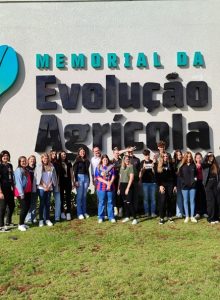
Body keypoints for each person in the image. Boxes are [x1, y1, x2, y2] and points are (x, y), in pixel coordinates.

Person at [34, 153, 58, 227]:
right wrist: (44, 185)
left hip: (49, 187)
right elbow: (37, 177)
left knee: (48, 204)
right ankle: (41, 220)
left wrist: (49, 185)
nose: (45, 159)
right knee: (42, 203)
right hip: (41, 187)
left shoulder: (51, 166)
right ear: (41, 159)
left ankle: (47, 219)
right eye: (44, 158)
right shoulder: (38, 166)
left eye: (47, 158)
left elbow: (53, 177)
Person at [154, 152, 176, 224]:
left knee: (170, 200)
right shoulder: (158, 165)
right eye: (164, 156)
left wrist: (175, 186)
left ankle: (170, 216)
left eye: (167, 156)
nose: (165, 157)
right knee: (162, 201)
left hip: (170, 185)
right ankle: (161, 217)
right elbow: (156, 177)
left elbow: (174, 176)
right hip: (162, 185)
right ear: (162, 157)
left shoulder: (171, 165)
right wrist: (160, 185)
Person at [95, 154, 115, 223]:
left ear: (108, 160)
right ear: (102, 160)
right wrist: (107, 183)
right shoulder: (98, 167)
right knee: (101, 202)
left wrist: (110, 183)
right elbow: (98, 177)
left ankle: (111, 217)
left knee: (110, 202)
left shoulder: (111, 167)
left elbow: (113, 176)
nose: (105, 161)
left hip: (111, 187)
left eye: (106, 159)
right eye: (104, 160)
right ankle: (101, 217)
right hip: (101, 187)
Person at [118, 155, 138, 225]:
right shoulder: (122, 167)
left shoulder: (131, 167)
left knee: (129, 202)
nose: (127, 160)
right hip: (122, 186)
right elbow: (120, 179)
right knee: (125, 202)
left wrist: (127, 188)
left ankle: (135, 218)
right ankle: (127, 216)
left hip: (128, 185)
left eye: (128, 159)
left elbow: (131, 178)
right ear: (123, 160)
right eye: (126, 159)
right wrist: (119, 188)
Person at [14, 156, 32, 231]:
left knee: (27, 207)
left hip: (27, 192)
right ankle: (20, 224)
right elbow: (18, 182)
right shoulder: (18, 170)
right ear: (19, 162)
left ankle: (23, 223)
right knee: (24, 208)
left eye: (25, 161)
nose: (24, 162)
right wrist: (21, 193)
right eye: (22, 161)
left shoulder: (26, 169)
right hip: (21, 192)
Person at [179, 151, 197, 223]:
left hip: (193, 186)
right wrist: (184, 182)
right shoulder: (182, 166)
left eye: (190, 157)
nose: (189, 158)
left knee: (192, 201)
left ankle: (192, 216)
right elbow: (180, 176)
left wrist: (195, 179)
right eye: (187, 156)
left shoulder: (193, 165)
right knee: (185, 201)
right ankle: (187, 216)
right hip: (184, 187)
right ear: (185, 157)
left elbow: (195, 175)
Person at [202, 152, 220, 224]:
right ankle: (210, 218)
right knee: (211, 202)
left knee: (217, 201)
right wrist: (207, 155)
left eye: (212, 156)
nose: (211, 157)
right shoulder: (205, 164)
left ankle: (216, 217)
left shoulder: (216, 165)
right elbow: (202, 164)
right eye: (209, 156)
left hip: (216, 184)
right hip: (208, 185)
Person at [73, 147, 90, 220]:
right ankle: (79, 213)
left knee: (84, 196)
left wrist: (89, 179)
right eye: (81, 152)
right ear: (79, 153)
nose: (82, 153)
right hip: (79, 178)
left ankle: (84, 212)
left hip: (86, 178)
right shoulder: (77, 160)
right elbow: (75, 171)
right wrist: (76, 180)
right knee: (79, 196)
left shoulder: (87, 160)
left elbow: (87, 170)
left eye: (83, 151)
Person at [0, 150, 15, 231]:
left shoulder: (10, 165)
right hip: (3, 189)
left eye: (7, 156)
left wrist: (13, 186)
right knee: (2, 207)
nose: (6, 157)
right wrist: (0, 192)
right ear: (1, 158)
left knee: (12, 205)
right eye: (4, 156)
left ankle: (8, 222)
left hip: (10, 189)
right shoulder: (0, 166)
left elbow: (11, 177)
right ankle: (1, 226)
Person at [139, 149, 157, 217]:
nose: (147, 156)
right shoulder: (142, 162)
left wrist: (153, 167)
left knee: (153, 198)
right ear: (144, 156)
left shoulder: (153, 162)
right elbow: (141, 174)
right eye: (146, 155)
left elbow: (155, 173)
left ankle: (153, 212)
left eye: (148, 155)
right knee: (146, 199)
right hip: (145, 183)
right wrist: (143, 168)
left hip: (153, 183)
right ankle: (146, 212)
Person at [58, 151, 74, 221]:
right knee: (61, 197)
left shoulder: (69, 163)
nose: (63, 156)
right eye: (62, 155)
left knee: (68, 197)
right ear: (60, 156)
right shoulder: (58, 163)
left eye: (64, 154)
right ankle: (62, 212)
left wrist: (73, 182)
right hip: (61, 182)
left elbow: (71, 173)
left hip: (68, 181)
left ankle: (68, 213)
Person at [194, 152, 207, 219]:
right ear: (195, 159)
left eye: (200, 157)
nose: (198, 159)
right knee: (197, 197)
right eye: (197, 158)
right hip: (197, 183)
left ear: (201, 158)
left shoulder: (204, 165)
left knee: (204, 197)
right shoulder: (194, 166)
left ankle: (204, 212)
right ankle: (198, 213)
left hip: (203, 182)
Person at [25, 155, 37, 224]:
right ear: (28, 160)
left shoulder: (36, 168)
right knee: (28, 203)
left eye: (33, 159)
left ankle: (34, 217)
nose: (32, 160)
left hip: (35, 187)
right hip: (28, 188)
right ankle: (28, 218)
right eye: (31, 159)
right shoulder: (26, 168)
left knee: (34, 203)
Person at [50, 150, 62, 222]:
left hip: (57, 183)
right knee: (47, 201)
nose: (54, 155)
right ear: (50, 154)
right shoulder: (48, 162)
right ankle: (46, 217)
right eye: (53, 153)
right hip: (48, 184)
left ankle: (57, 217)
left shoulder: (57, 163)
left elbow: (59, 174)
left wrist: (58, 182)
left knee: (58, 201)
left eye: (55, 153)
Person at [111, 147, 123, 217]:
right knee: (114, 196)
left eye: (118, 153)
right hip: (113, 180)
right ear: (113, 154)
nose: (117, 154)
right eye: (116, 153)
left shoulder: (122, 161)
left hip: (121, 180)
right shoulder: (111, 161)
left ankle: (121, 210)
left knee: (120, 195)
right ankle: (115, 210)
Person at [173, 150, 184, 218]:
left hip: (184, 181)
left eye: (180, 154)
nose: (179, 156)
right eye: (177, 155)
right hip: (177, 181)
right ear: (175, 156)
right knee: (179, 197)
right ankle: (179, 213)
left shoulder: (184, 161)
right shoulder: (174, 163)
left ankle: (184, 212)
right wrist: (174, 185)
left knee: (184, 197)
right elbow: (173, 175)